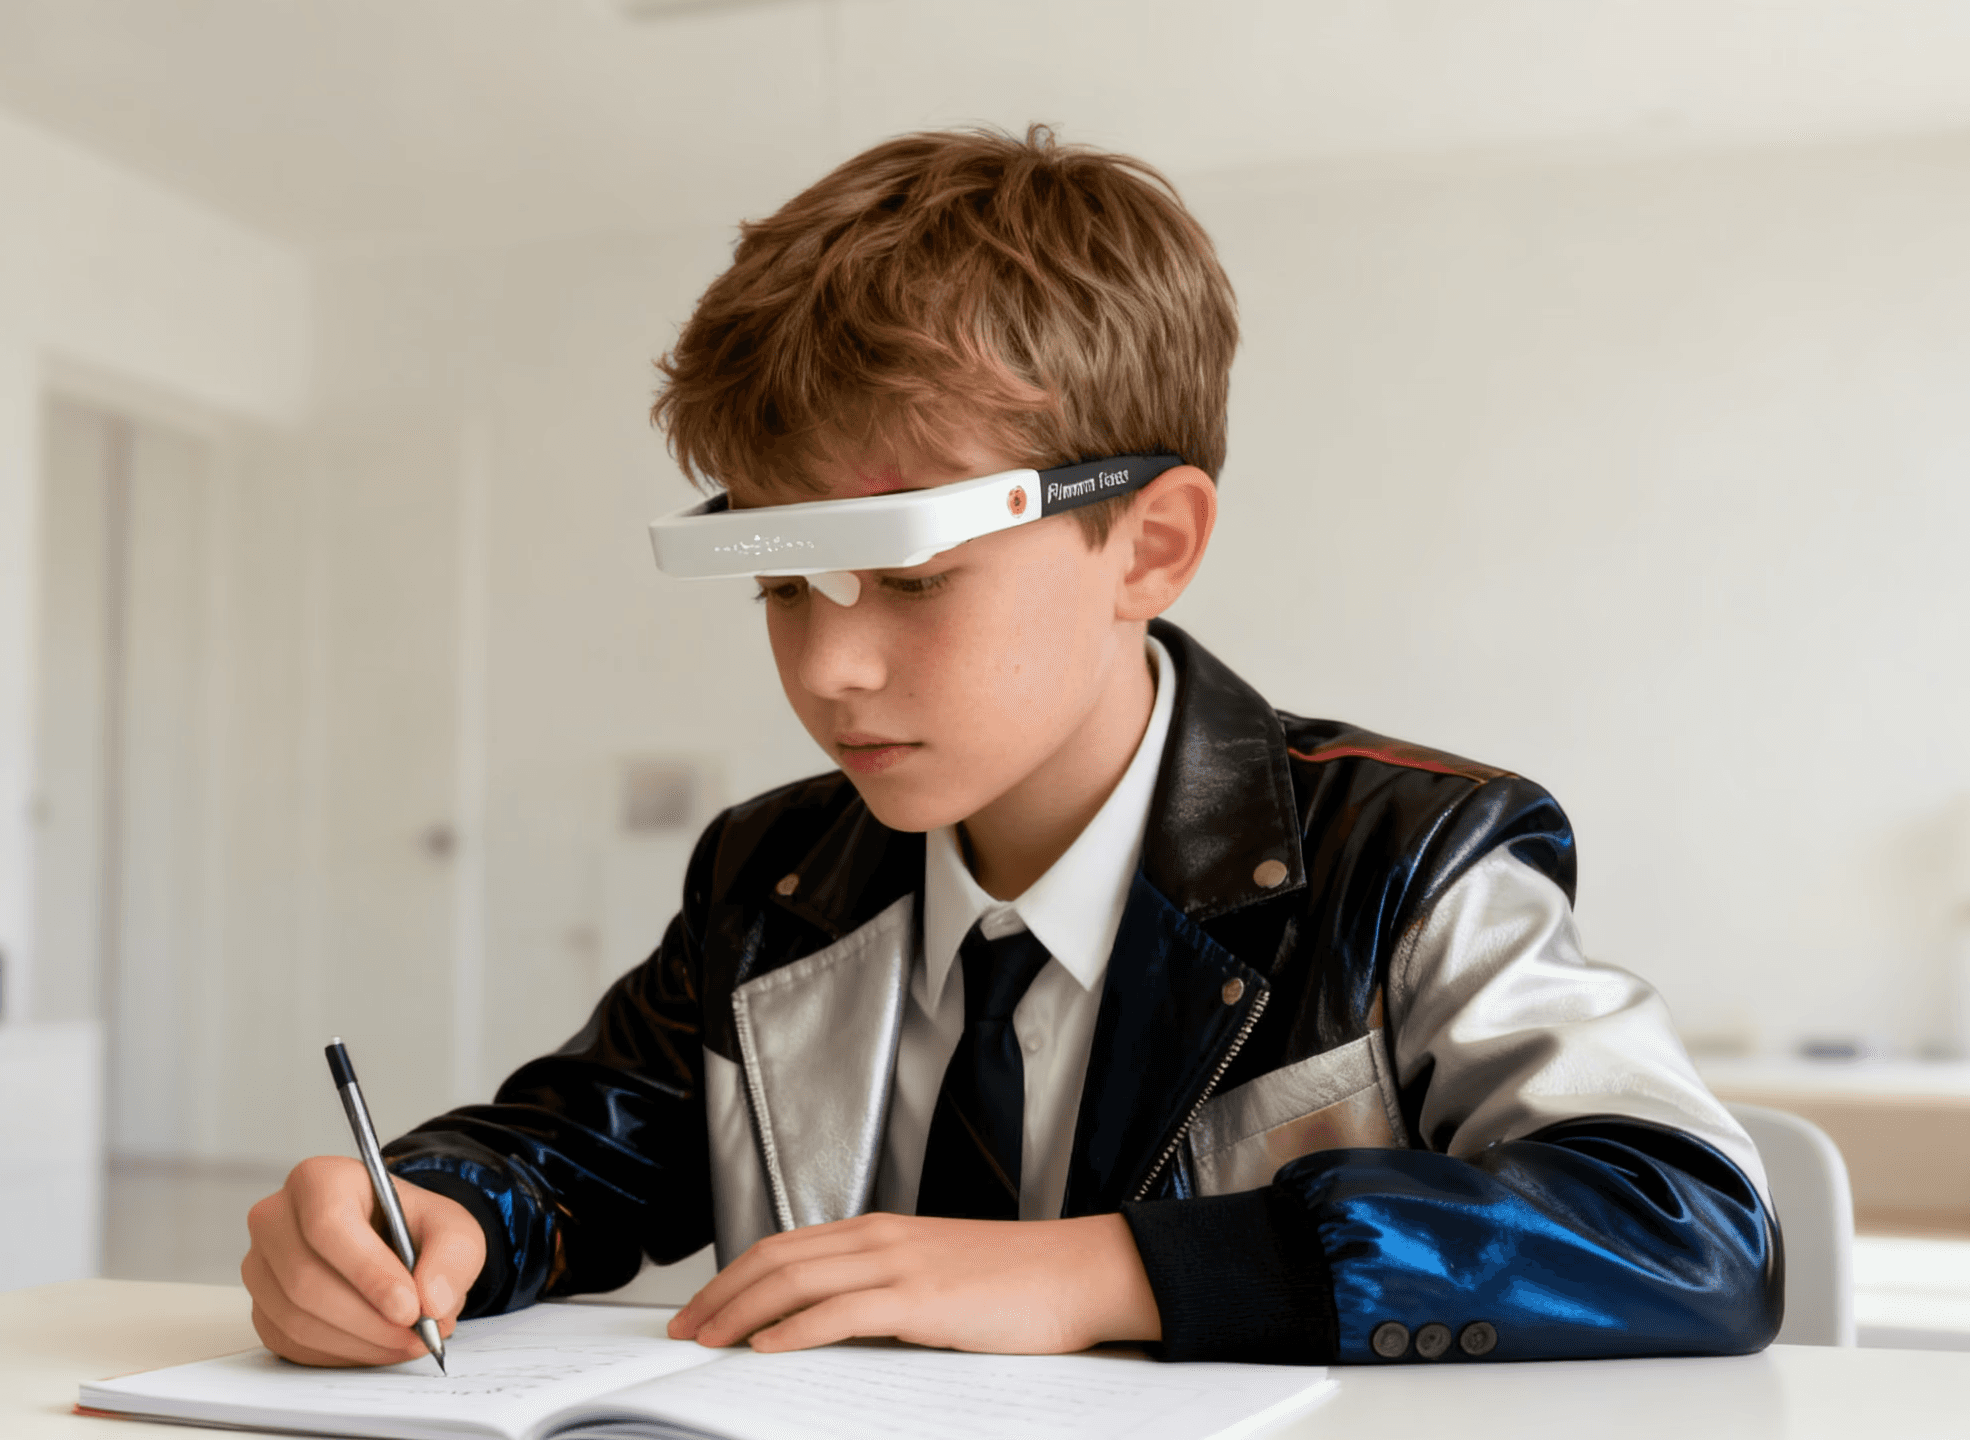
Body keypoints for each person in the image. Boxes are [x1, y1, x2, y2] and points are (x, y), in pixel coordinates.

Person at [242, 125, 1780, 1369]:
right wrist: (424, 1213)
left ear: (1151, 546)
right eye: (785, 584)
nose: (829, 666)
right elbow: (572, 1153)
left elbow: (1685, 1228)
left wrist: (1111, 1273)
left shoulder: (1403, 859)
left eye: (913, 580)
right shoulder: (772, 878)